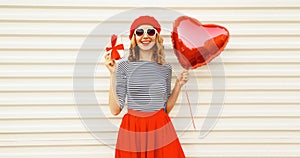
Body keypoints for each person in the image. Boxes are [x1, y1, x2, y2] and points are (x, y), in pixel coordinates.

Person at [105, 15, 189, 158]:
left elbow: (165, 109)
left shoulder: (165, 68)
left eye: (150, 32)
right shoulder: (124, 67)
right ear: (134, 37)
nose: (145, 36)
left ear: (156, 37)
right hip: (133, 129)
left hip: (160, 128)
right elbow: (115, 110)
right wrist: (113, 73)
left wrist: (178, 85)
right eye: (139, 32)